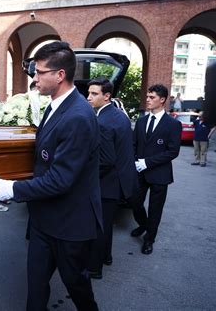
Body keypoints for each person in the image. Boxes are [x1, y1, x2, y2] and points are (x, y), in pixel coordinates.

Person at [0, 41, 102, 310]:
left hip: (70, 223)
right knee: (36, 284)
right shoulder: (55, 105)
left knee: (76, 283)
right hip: (44, 219)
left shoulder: (78, 115)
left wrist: (13, 189)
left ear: (60, 75)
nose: (34, 77)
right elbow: (42, 157)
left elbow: (60, 179)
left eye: (40, 72)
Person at [86, 77, 138, 279]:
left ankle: (94, 268)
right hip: (118, 181)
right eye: (89, 92)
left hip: (106, 183)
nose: (88, 97)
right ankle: (106, 257)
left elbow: (106, 160)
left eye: (94, 94)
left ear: (107, 96)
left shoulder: (103, 121)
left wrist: (85, 176)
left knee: (99, 227)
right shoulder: (119, 116)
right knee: (106, 224)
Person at [130, 84, 182, 255]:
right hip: (139, 172)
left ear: (162, 100)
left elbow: (173, 152)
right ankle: (144, 225)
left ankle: (149, 239)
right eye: (147, 96)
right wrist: (134, 162)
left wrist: (148, 162)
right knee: (135, 203)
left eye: (152, 97)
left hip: (160, 174)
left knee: (155, 209)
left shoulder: (173, 124)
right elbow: (134, 145)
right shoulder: (141, 121)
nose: (148, 100)